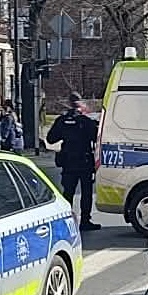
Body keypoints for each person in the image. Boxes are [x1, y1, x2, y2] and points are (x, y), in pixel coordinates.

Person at [47, 98, 101, 230]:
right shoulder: (86, 122)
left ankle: (66, 220)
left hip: (68, 161)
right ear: (81, 107)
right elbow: (96, 137)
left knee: (68, 192)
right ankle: (85, 221)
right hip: (84, 161)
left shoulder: (62, 121)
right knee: (86, 193)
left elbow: (51, 139)